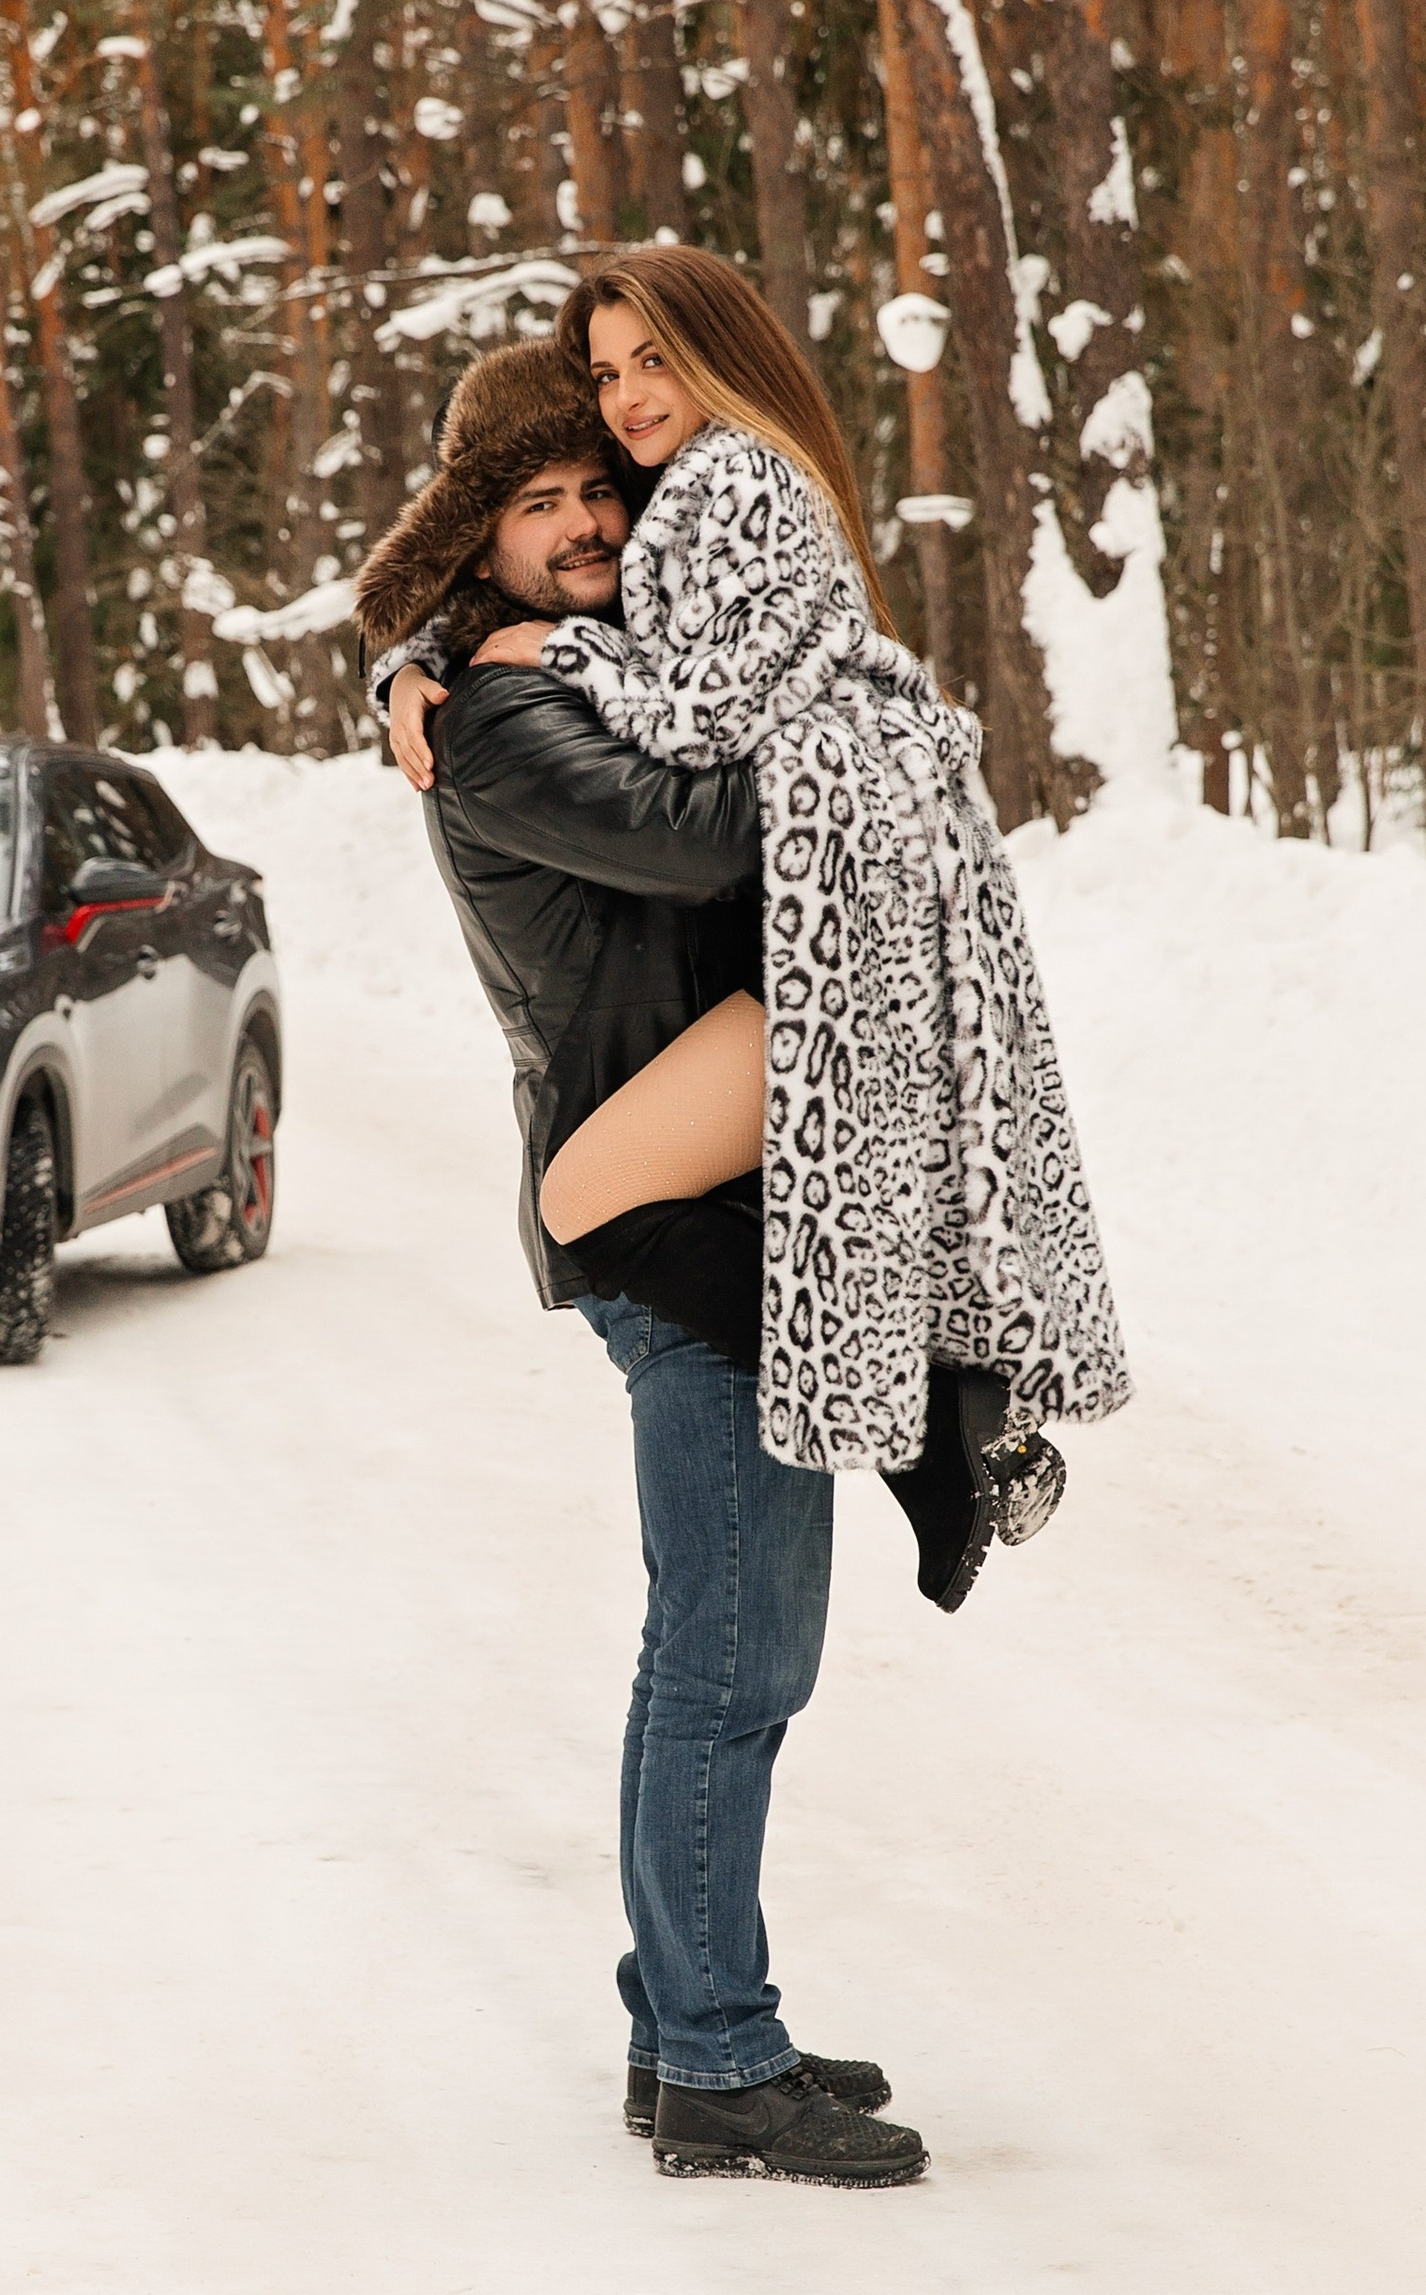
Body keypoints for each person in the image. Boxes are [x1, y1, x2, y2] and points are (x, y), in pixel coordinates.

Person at [356, 336, 932, 2186]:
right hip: (667, 1229)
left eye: (601, 490)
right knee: (726, 1658)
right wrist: (867, 721)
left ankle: (693, 2015)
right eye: (541, 505)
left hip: (721, 1203)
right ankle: (711, 2058)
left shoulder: (580, 664)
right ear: (479, 536)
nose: (588, 521)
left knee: (737, 1650)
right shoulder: (505, 718)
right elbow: (706, 838)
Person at [381, 247, 1127, 1573]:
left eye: (651, 362)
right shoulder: (683, 502)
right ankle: (937, 1420)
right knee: (597, 1198)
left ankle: (937, 1424)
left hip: (851, 893)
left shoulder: (741, 489)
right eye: (604, 373)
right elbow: (579, 595)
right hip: (845, 893)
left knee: (589, 1196)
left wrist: (524, 646)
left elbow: (704, 741)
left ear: (716, 360)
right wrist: (417, 654)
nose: (624, 400)